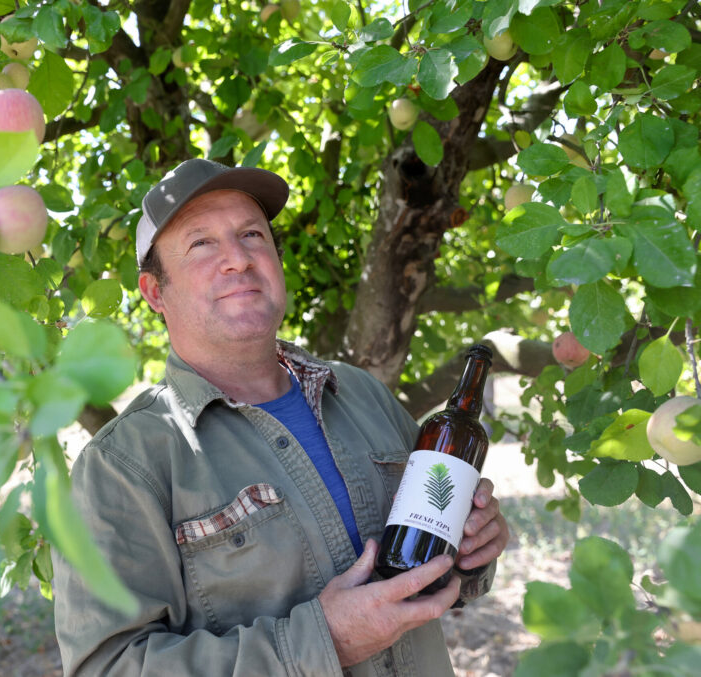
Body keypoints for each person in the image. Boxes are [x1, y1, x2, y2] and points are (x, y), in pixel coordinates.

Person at [51, 159, 509, 676]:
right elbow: (106, 668)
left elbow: (431, 561)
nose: (238, 260)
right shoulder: (122, 466)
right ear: (156, 291)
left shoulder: (363, 395)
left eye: (252, 235)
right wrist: (322, 644)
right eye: (201, 244)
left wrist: (473, 553)